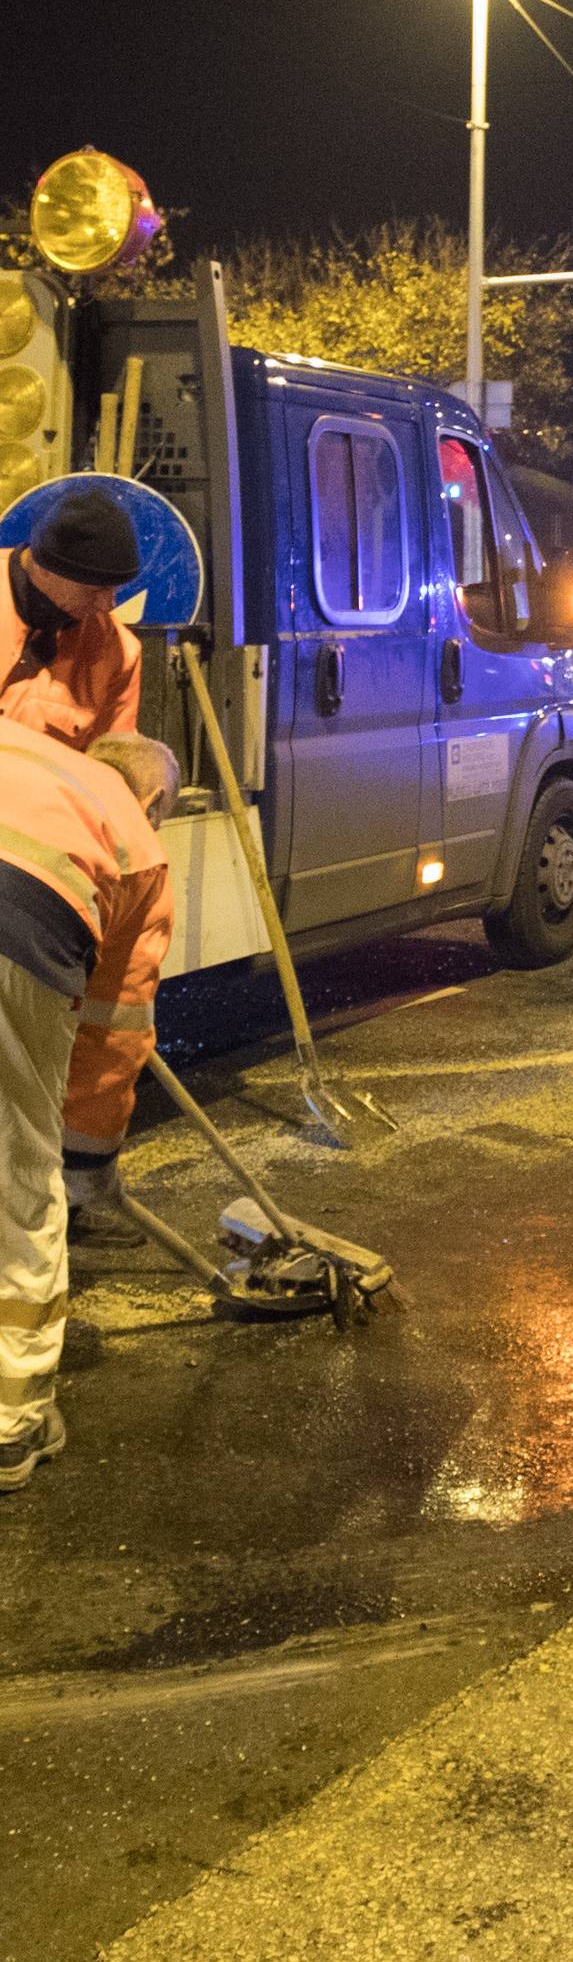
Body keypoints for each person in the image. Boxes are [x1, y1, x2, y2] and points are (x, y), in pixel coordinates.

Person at [0, 724, 177, 1490]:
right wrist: (88, 1158)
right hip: (17, 925)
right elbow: (115, 1025)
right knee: (20, 1173)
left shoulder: (22, 749)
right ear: (154, 796)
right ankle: (14, 1424)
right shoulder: (133, 831)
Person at [0, 488, 144, 752]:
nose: (109, 604)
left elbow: (112, 765)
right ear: (43, 568)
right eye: (95, 590)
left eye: (115, 589)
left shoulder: (119, 652)